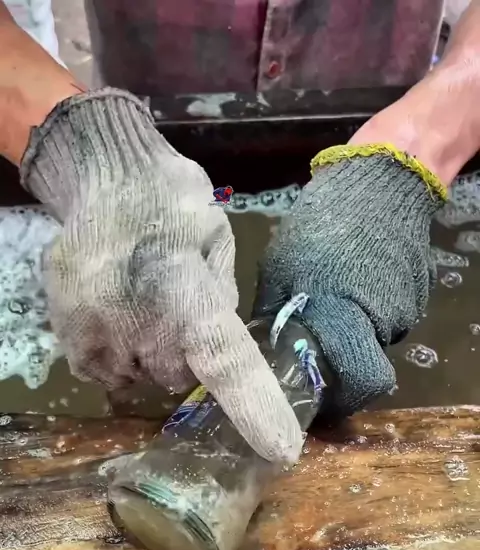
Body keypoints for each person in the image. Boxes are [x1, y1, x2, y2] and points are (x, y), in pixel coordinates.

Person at [0, 0, 478, 467]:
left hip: (387, 119)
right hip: (155, 144)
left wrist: (414, 150)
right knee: (144, 372)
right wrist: (83, 150)